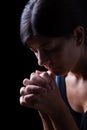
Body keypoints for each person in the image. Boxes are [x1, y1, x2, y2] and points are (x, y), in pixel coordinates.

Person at [19, 0, 87, 130]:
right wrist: (43, 107)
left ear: (78, 36)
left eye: (49, 49)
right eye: (34, 51)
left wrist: (58, 111)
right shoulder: (56, 82)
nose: (41, 61)